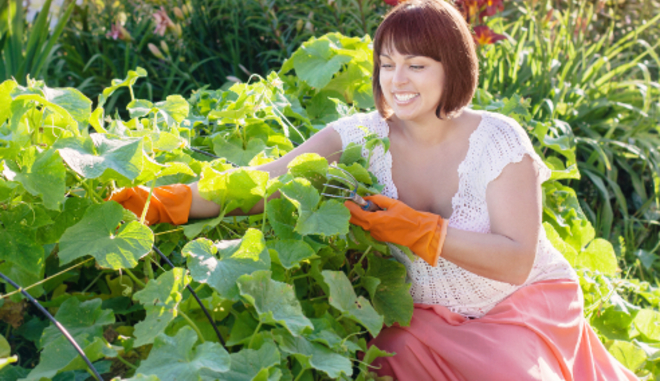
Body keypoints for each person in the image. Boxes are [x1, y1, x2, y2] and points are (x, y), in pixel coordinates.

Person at [109, 1, 638, 379]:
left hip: (515, 307)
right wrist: (166, 202)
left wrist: (421, 230)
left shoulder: (498, 140)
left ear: (452, 69)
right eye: (386, 64)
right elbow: (264, 183)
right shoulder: (361, 135)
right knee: (387, 357)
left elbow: (516, 261)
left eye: (416, 65)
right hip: (421, 315)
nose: (397, 80)